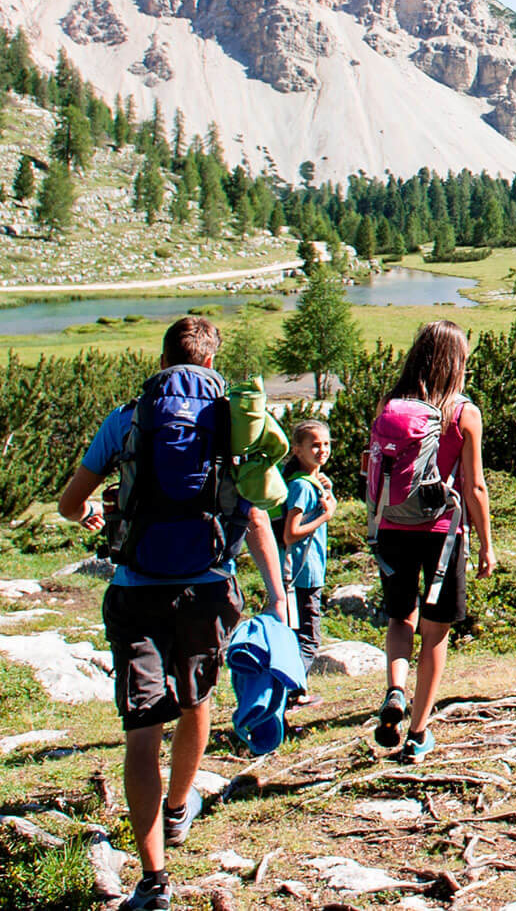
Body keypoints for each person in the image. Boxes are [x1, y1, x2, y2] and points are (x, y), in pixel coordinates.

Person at [56, 317, 288, 911]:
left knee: (141, 731)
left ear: (163, 362)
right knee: (197, 701)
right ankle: (180, 807)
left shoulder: (130, 416)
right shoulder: (236, 423)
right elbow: (261, 510)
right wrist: (276, 594)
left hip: (136, 588)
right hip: (209, 587)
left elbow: (70, 501)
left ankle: (154, 880)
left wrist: (91, 518)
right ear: (211, 364)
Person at [369, 320, 493, 760]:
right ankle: (419, 733)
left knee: (400, 619)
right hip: (442, 533)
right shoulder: (464, 413)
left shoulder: (390, 406)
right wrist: (486, 543)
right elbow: (475, 486)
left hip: (391, 528)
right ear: (456, 362)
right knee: (435, 635)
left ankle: (395, 690)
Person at [273, 419, 334, 706]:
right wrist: (326, 516)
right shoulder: (301, 487)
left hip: (304, 572)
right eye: (315, 445)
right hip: (301, 573)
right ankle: (288, 694)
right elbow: (291, 533)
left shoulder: (309, 482)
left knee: (300, 636)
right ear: (297, 450)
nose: (322, 450)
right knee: (308, 639)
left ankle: (297, 692)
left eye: (326, 444)